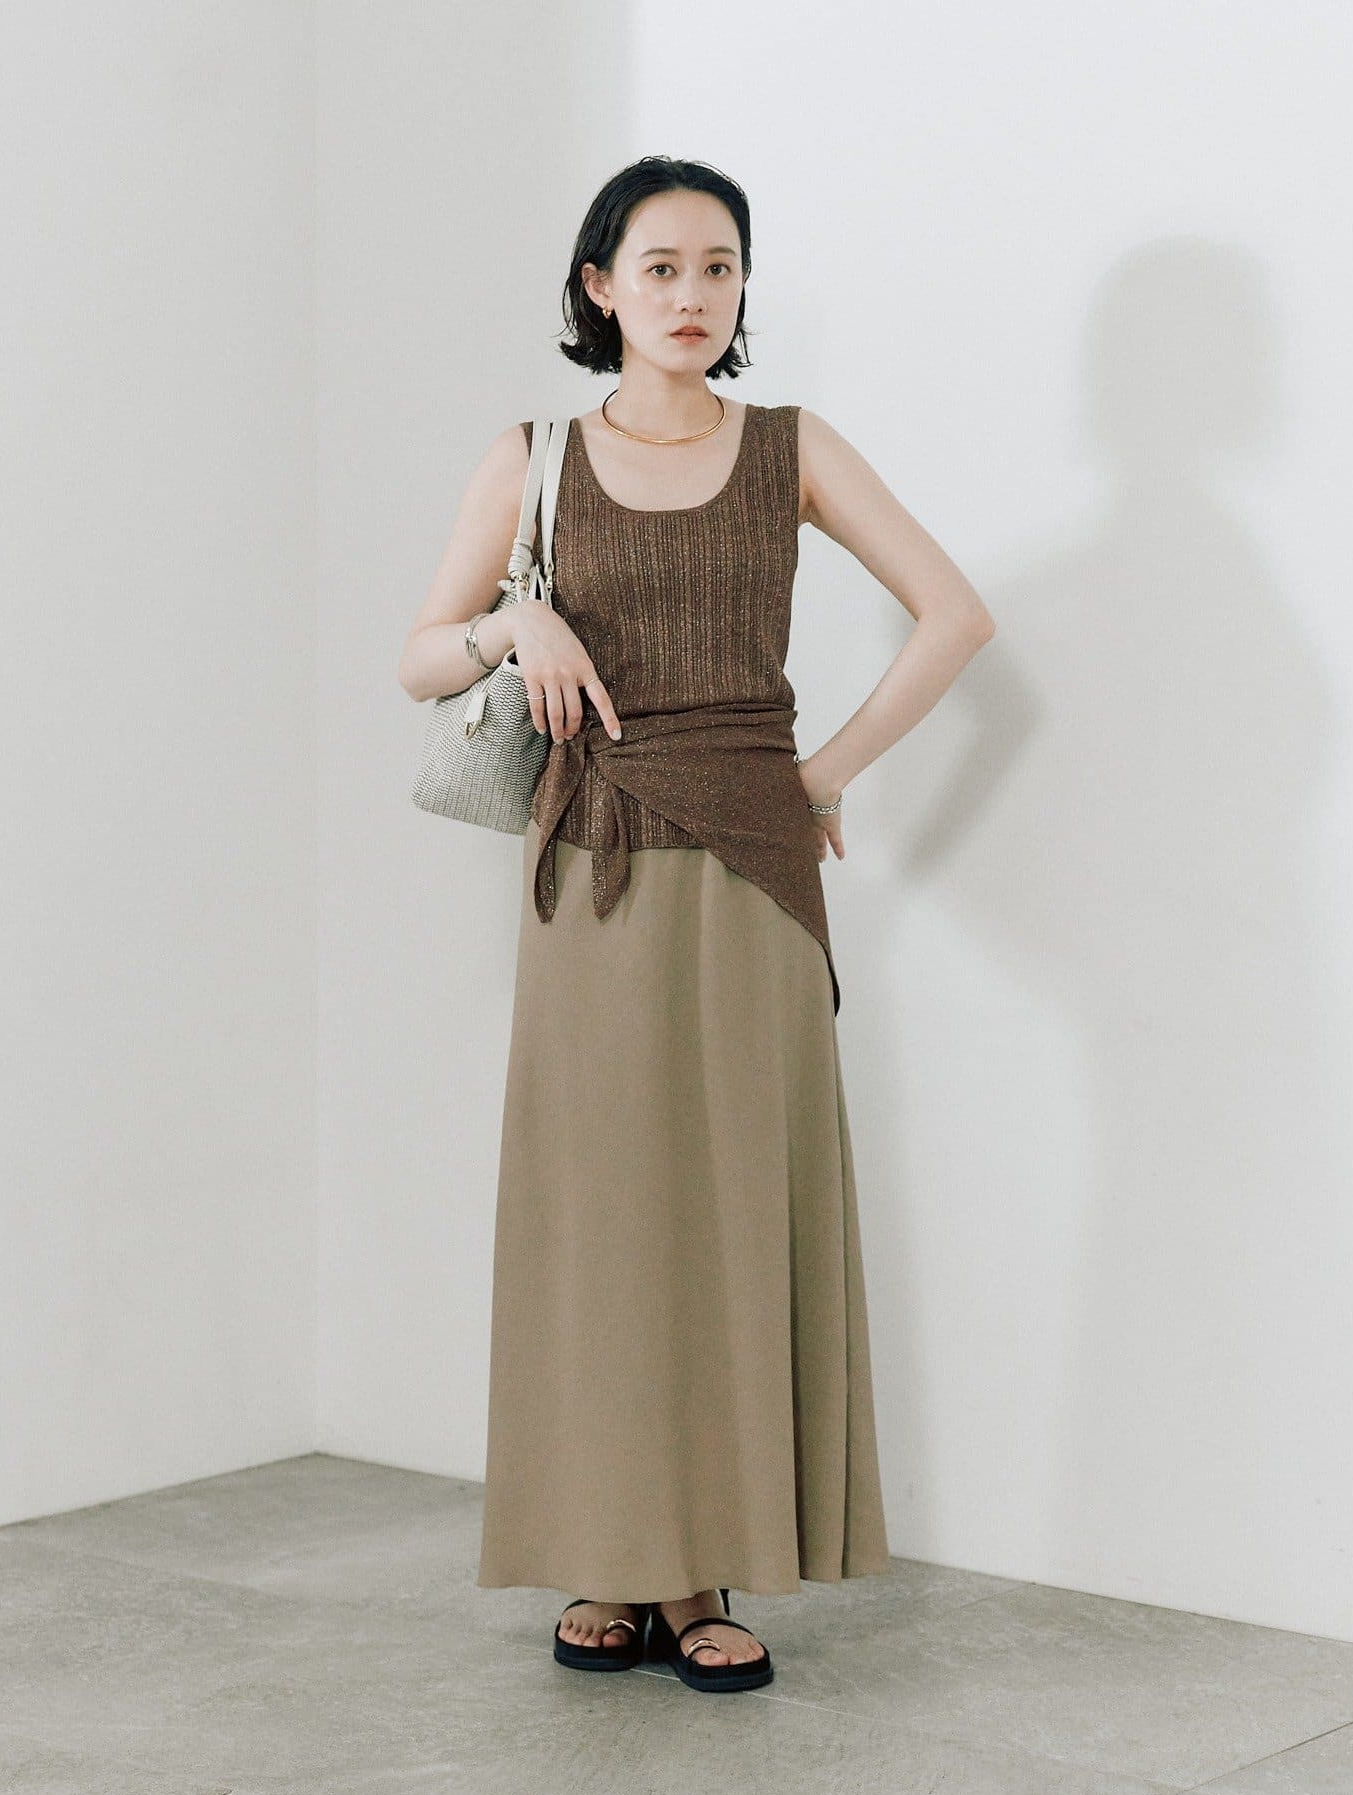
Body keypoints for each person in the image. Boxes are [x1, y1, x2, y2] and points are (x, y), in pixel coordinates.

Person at [398, 156, 996, 1691]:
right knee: (603, 1221)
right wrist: (512, 620)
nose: (692, 295)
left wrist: (824, 773)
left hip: (752, 875)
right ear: (599, 287)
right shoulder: (533, 456)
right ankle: (612, 1558)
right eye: (659, 267)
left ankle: (700, 1572)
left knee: (730, 1216)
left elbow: (955, 614)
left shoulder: (790, 447)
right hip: (590, 870)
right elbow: (418, 659)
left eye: (718, 267)